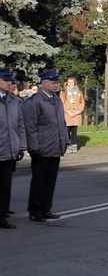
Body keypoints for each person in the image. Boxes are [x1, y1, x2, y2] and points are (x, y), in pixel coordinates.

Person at [23, 68, 69, 222]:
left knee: (50, 181)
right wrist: (33, 147)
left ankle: (46, 208)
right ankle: (35, 210)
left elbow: (61, 123)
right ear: (44, 83)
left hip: (55, 146)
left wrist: (65, 141)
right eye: (53, 82)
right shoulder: (35, 101)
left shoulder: (56, 99)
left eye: (57, 82)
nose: (56, 85)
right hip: (42, 148)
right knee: (39, 180)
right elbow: (31, 126)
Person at [1, 67, 27, 229]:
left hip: (9, 149)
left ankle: (2, 216)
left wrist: (21, 146)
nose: (8, 83)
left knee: (5, 185)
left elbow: (20, 125)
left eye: (10, 80)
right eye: (5, 80)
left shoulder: (13, 101)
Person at [60, 76, 85, 153]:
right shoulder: (63, 92)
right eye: (69, 82)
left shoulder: (78, 93)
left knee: (74, 131)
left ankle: (74, 145)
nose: (70, 84)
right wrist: (68, 112)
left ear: (74, 83)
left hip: (76, 115)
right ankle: (67, 146)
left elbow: (82, 102)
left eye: (71, 82)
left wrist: (77, 111)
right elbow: (62, 102)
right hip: (67, 115)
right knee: (66, 131)